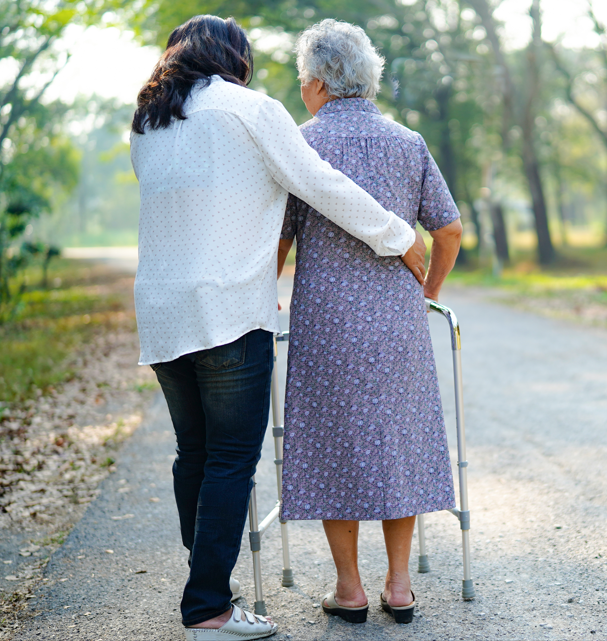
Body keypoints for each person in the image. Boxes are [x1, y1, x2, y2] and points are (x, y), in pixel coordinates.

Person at [129, 15, 427, 641]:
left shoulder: (148, 120)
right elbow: (320, 184)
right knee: (232, 460)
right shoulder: (250, 109)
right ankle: (208, 607)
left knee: (195, 454)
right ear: (234, 59)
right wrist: (399, 236)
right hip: (230, 310)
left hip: (162, 310)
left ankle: (209, 585)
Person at [276, 19, 464, 626]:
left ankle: (350, 589)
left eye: (304, 78)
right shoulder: (408, 142)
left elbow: (277, 238)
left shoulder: (299, 144)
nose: (303, 89)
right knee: (397, 444)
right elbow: (449, 229)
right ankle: (401, 585)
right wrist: (429, 291)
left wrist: (266, 293)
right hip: (397, 323)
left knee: (337, 445)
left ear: (321, 83)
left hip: (326, 322)